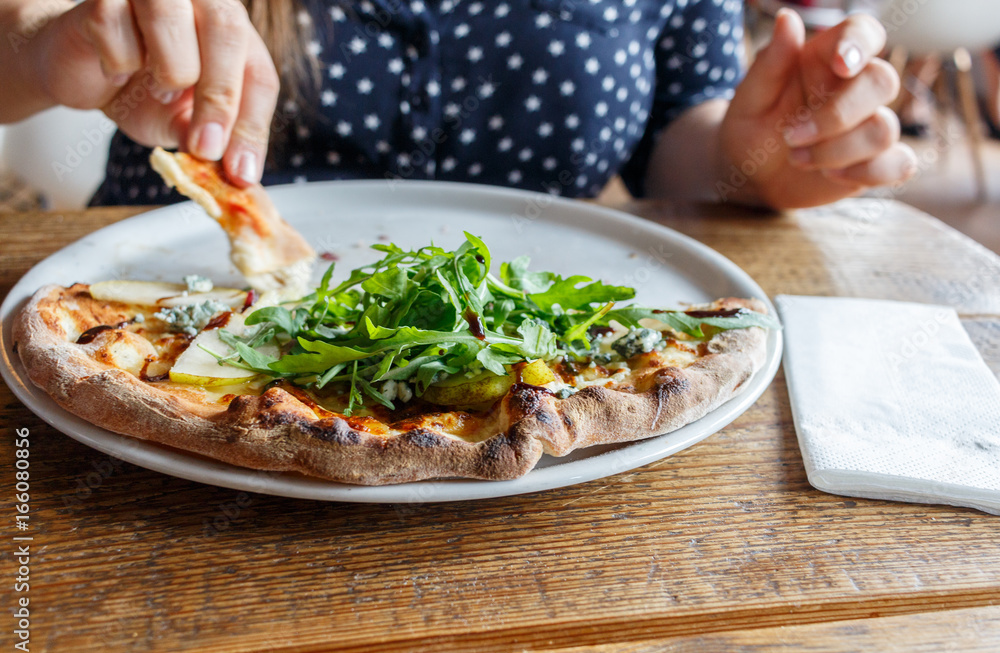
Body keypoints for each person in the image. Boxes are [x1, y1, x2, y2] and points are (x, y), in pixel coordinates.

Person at [0, 0, 915, 210]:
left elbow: (680, 142)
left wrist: (760, 156)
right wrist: (42, 54)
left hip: (530, 411)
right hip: (146, 344)